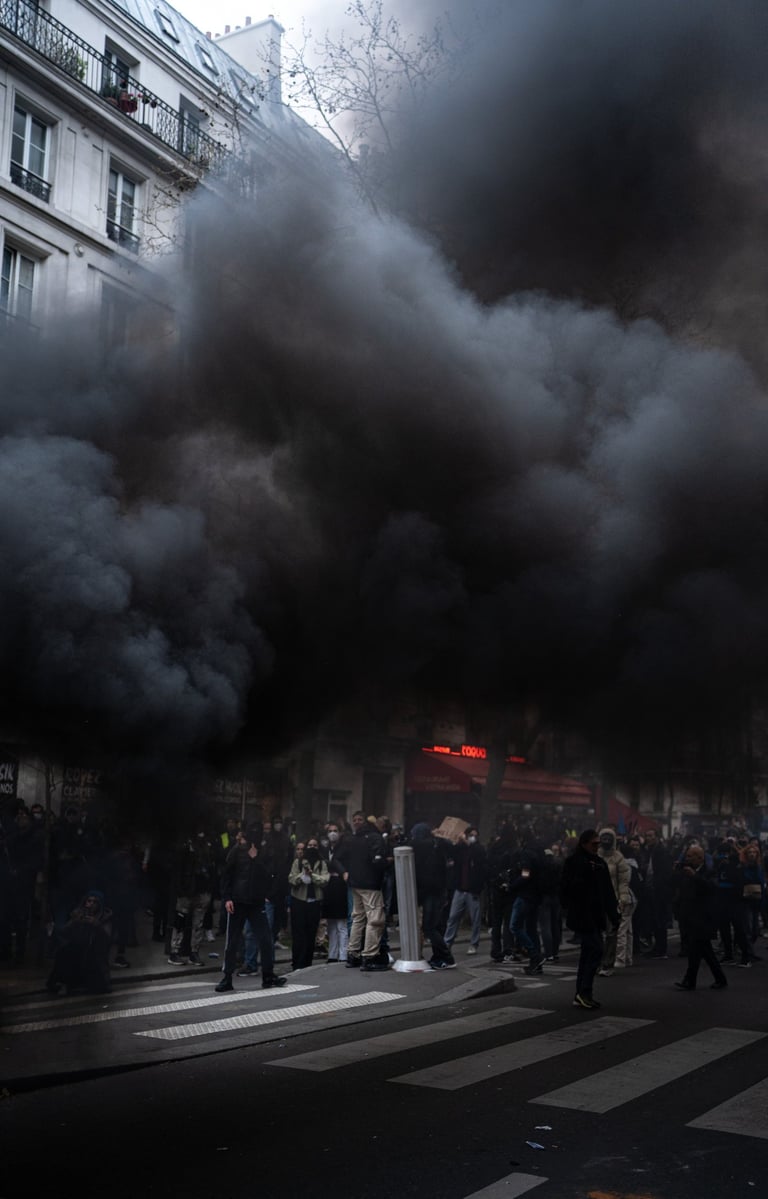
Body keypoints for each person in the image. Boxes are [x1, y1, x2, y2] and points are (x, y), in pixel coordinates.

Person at [215, 824, 286, 992]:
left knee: (265, 940)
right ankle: (227, 978)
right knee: (232, 941)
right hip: (238, 902)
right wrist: (227, 898)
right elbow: (226, 876)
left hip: (255, 902)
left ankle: (268, 975)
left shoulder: (263, 852)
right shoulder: (235, 851)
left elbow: (269, 875)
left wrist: (256, 860)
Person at [560, 829, 619, 1010]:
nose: (597, 847)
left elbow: (608, 892)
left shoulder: (599, 863)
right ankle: (583, 991)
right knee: (595, 950)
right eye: (594, 844)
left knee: (588, 953)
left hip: (595, 914)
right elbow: (566, 888)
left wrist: (614, 916)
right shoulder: (575, 862)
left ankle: (583, 993)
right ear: (584, 843)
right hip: (582, 914)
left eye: (598, 844)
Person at [335, 811, 387, 971]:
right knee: (375, 919)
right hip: (370, 884)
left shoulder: (352, 839)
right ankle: (370, 956)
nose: (357, 822)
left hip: (354, 883)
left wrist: (345, 873)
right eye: (355, 819)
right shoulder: (375, 838)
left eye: (359, 820)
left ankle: (353, 954)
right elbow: (377, 862)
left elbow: (337, 858)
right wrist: (388, 863)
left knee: (358, 918)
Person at [672, 845, 728, 991]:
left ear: (700, 858)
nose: (687, 858)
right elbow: (679, 889)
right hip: (689, 917)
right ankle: (713, 979)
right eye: (687, 855)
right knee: (699, 951)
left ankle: (691, 980)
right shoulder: (686, 871)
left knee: (700, 950)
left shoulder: (709, 871)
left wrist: (695, 876)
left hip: (703, 918)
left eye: (690, 856)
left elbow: (711, 888)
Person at [46, 890, 113, 996]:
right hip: (78, 950)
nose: (90, 904)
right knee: (64, 952)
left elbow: (107, 938)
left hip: (94, 952)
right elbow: (65, 933)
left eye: (94, 902)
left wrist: (96, 925)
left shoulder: (104, 917)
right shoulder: (78, 914)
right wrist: (74, 922)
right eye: (89, 901)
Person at [410, 822, 456, 970]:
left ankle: (446, 957)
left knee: (429, 927)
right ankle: (439, 958)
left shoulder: (420, 846)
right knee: (433, 926)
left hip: (430, 891)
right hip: (439, 890)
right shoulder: (438, 844)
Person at [444, 827, 487, 955]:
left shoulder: (479, 849)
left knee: (475, 918)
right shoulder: (461, 849)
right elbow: (452, 852)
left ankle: (474, 943)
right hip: (460, 889)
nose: (472, 837)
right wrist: (458, 841)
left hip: (472, 890)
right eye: (471, 835)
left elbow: (479, 859)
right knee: (453, 917)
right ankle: (447, 942)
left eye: (475, 835)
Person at [596, 828, 633, 978]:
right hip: (595, 901)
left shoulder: (618, 858)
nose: (605, 841)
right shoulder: (594, 856)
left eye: (608, 838)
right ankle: (596, 962)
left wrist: (623, 899)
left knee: (611, 934)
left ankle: (607, 964)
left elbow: (624, 882)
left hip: (612, 901)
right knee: (596, 934)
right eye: (603, 838)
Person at [288, 837, 329, 970]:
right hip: (299, 901)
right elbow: (292, 879)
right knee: (298, 933)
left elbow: (324, 880)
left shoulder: (322, 863)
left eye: (315, 845)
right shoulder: (298, 862)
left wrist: (312, 876)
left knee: (311, 933)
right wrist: (302, 876)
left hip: (314, 902)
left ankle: (307, 963)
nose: (312, 848)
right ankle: (297, 962)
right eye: (309, 845)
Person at [322, 822, 349, 963]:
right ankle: (332, 954)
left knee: (341, 924)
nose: (333, 833)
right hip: (329, 889)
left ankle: (343, 955)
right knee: (331, 924)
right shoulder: (325, 849)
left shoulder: (344, 848)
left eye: (335, 830)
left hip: (340, 888)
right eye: (330, 831)